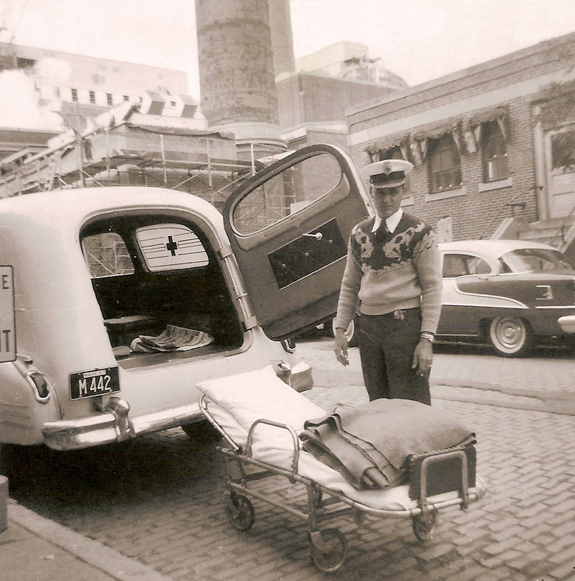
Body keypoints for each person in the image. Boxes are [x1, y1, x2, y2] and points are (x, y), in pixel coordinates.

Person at [333, 159, 442, 405]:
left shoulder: (420, 232)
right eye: (380, 193)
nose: (386, 200)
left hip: (404, 329)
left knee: (410, 404)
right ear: (371, 193)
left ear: (404, 191)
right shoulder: (359, 234)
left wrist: (427, 340)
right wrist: (340, 329)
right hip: (369, 329)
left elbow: (433, 288)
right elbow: (350, 284)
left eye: (393, 192)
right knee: (378, 403)